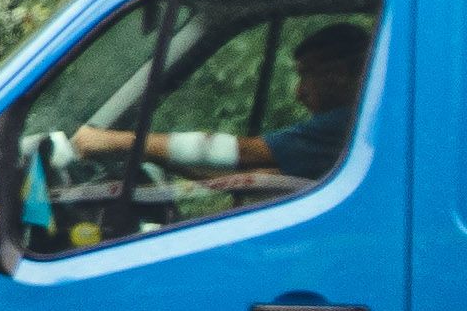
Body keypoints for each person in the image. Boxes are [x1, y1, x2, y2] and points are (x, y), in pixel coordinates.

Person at [75, 19, 369, 195]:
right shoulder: (346, 135)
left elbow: (242, 153)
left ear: (340, 75)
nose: (299, 93)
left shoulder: (346, 124)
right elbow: (249, 183)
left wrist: (115, 140)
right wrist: (154, 156)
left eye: (308, 75)